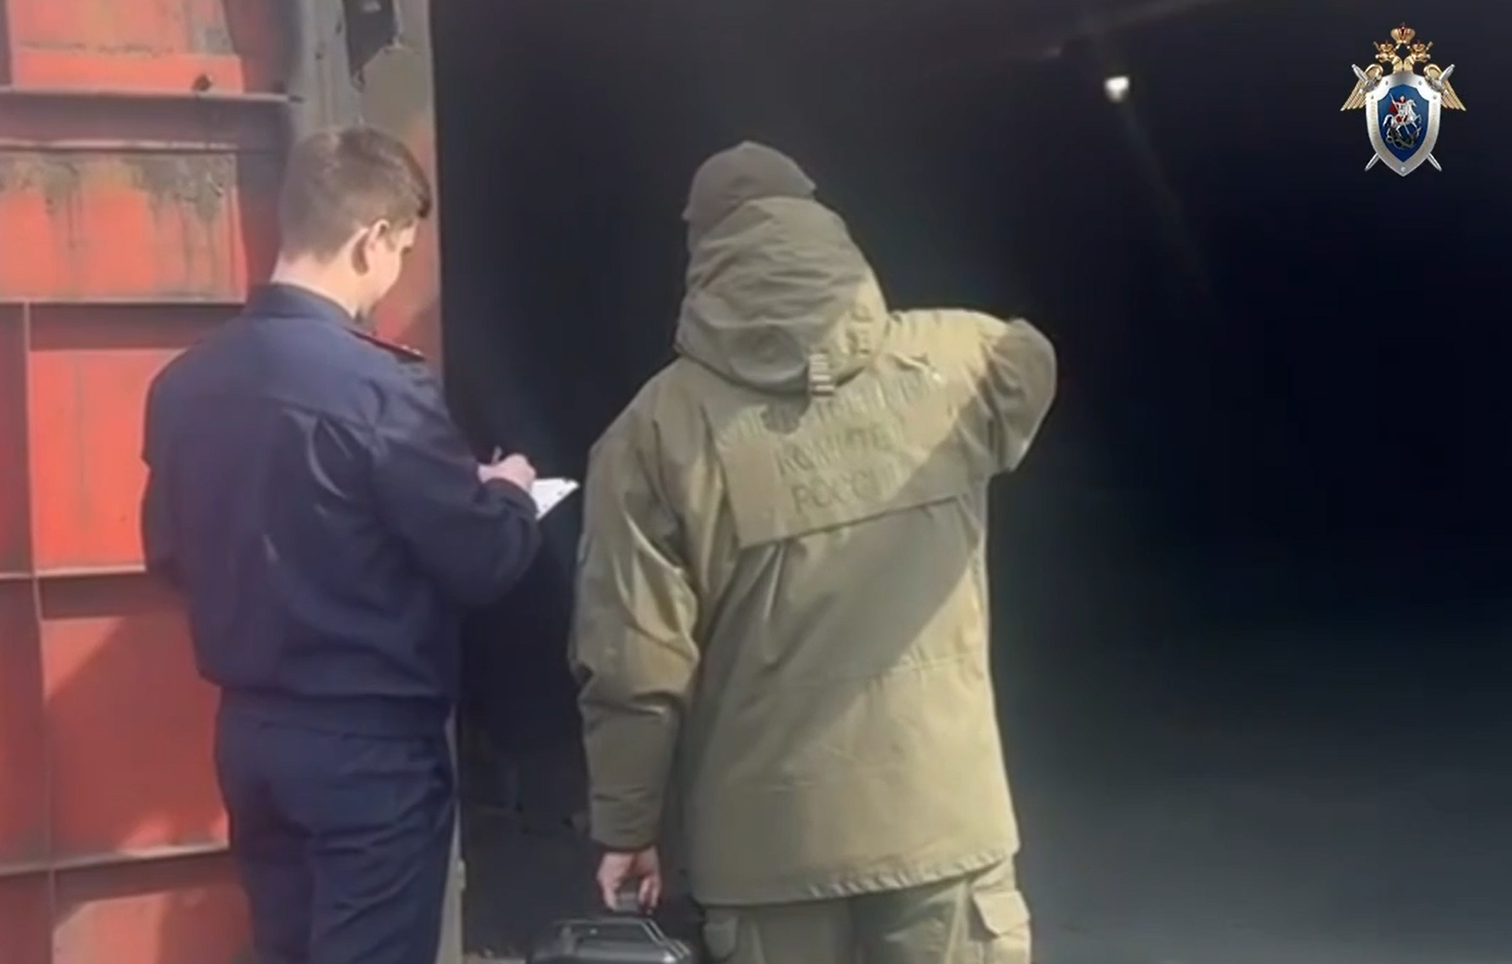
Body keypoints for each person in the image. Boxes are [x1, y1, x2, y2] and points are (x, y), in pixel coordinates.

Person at [570, 142, 1057, 964]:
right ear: (823, 222)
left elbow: (634, 661)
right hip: (943, 826)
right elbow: (1031, 363)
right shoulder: (960, 359)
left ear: (703, 250)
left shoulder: (651, 434)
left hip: (767, 855)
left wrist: (628, 826)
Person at [140, 126, 542, 964]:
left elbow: (168, 555)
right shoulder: (381, 392)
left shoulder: (181, 386)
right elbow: (482, 561)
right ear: (372, 240)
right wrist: (507, 492)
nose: (395, 273)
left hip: (251, 739)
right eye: (402, 252)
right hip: (369, 752)